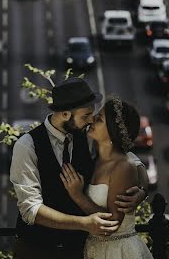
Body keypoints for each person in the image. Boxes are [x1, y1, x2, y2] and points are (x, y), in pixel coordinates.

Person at [10, 78, 148, 259]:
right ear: (65, 114)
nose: (91, 120)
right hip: (36, 250)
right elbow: (31, 210)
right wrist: (83, 223)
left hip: (76, 250)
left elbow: (124, 157)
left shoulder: (86, 135)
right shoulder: (27, 146)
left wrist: (142, 189)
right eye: (86, 115)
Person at [60, 97, 154, 259]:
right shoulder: (96, 158)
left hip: (119, 251)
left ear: (112, 131)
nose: (92, 120)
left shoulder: (122, 165)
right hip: (93, 248)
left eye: (99, 119)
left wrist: (78, 195)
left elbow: (113, 224)